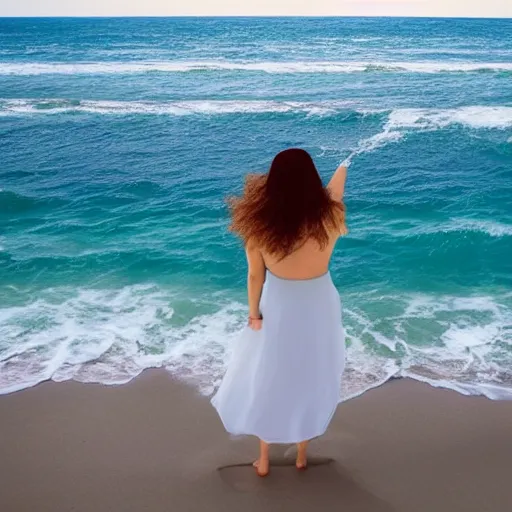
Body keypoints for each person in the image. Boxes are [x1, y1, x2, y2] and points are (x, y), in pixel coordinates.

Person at [211, 148, 348, 477]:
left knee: (269, 374)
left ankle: (265, 459)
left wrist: (254, 313)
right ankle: (301, 455)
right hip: (320, 303)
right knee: (310, 374)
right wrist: (345, 161)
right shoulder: (331, 216)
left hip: (280, 304)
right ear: (313, 179)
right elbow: (336, 188)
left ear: (272, 182)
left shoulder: (259, 227)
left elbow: (255, 275)